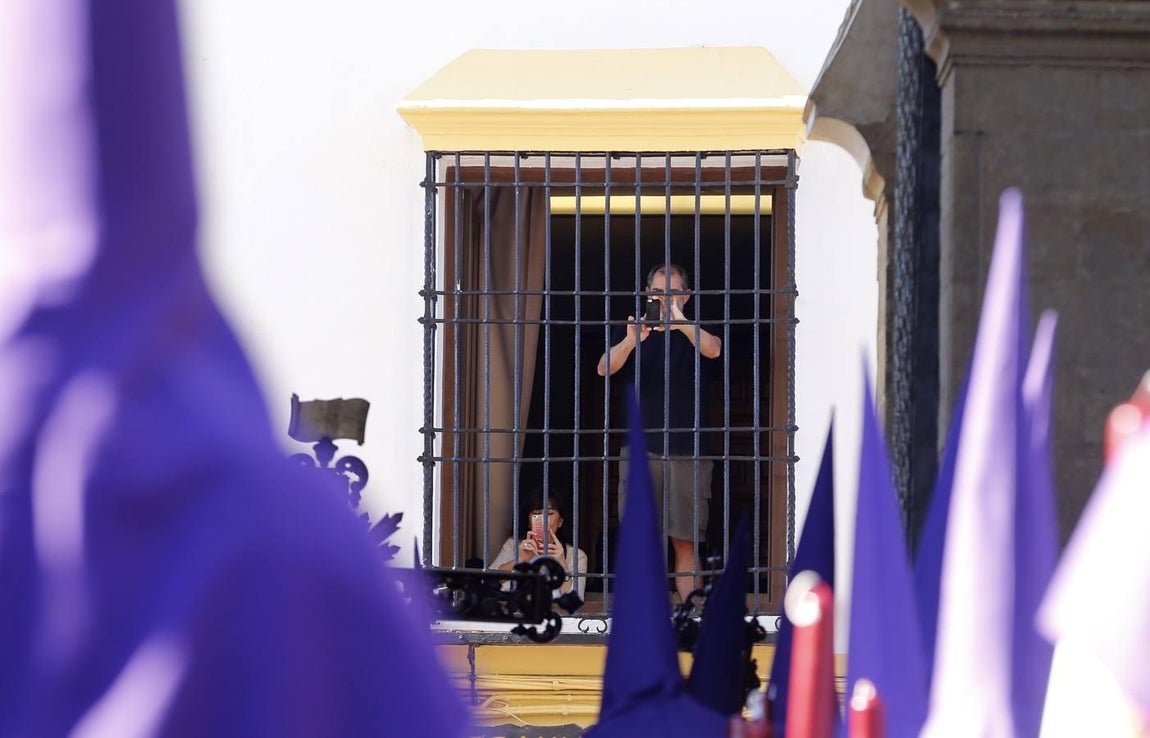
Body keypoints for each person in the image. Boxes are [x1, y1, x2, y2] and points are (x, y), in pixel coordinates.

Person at [596, 263, 722, 602]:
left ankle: (690, 618)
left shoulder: (695, 330)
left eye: (672, 293)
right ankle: (642, 617)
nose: (664, 299)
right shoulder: (634, 332)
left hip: (688, 452)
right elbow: (603, 368)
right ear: (647, 293)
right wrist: (631, 341)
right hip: (641, 451)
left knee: (685, 541)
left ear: (686, 296)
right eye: (657, 293)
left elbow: (713, 348)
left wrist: (680, 323)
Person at [491, 487, 589, 600]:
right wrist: (518, 561)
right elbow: (486, 582)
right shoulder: (513, 544)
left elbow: (576, 601)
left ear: (560, 522)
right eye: (536, 514)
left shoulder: (576, 556)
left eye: (549, 514)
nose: (542, 520)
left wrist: (562, 565)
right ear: (529, 521)